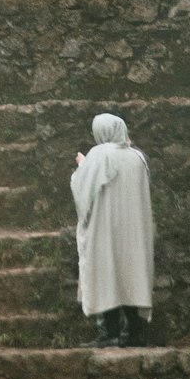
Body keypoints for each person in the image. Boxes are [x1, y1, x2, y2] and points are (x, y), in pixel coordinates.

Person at [70, 112, 154, 348]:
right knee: (131, 276)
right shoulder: (138, 157)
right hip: (133, 232)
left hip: (106, 229)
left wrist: (82, 165)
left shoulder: (100, 154)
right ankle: (135, 333)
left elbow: (82, 187)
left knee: (107, 275)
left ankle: (110, 332)